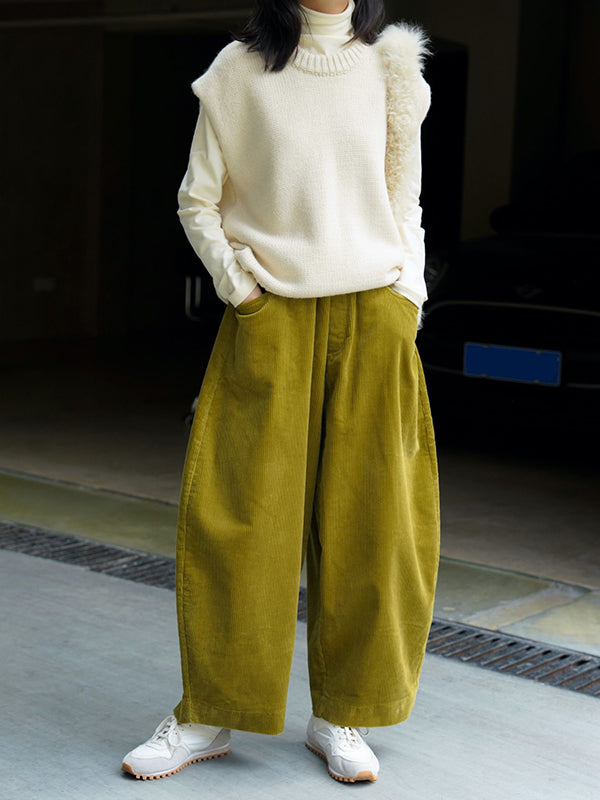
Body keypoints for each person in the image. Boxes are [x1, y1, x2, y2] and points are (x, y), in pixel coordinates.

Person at [121, 0, 440, 785]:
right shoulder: (240, 69)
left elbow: (405, 198)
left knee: (374, 524)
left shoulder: (394, 67)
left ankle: (344, 712)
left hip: (375, 315)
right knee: (239, 517)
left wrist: (409, 296)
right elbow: (198, 199)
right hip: (270, 315)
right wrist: (242, 292)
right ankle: (208, 713)